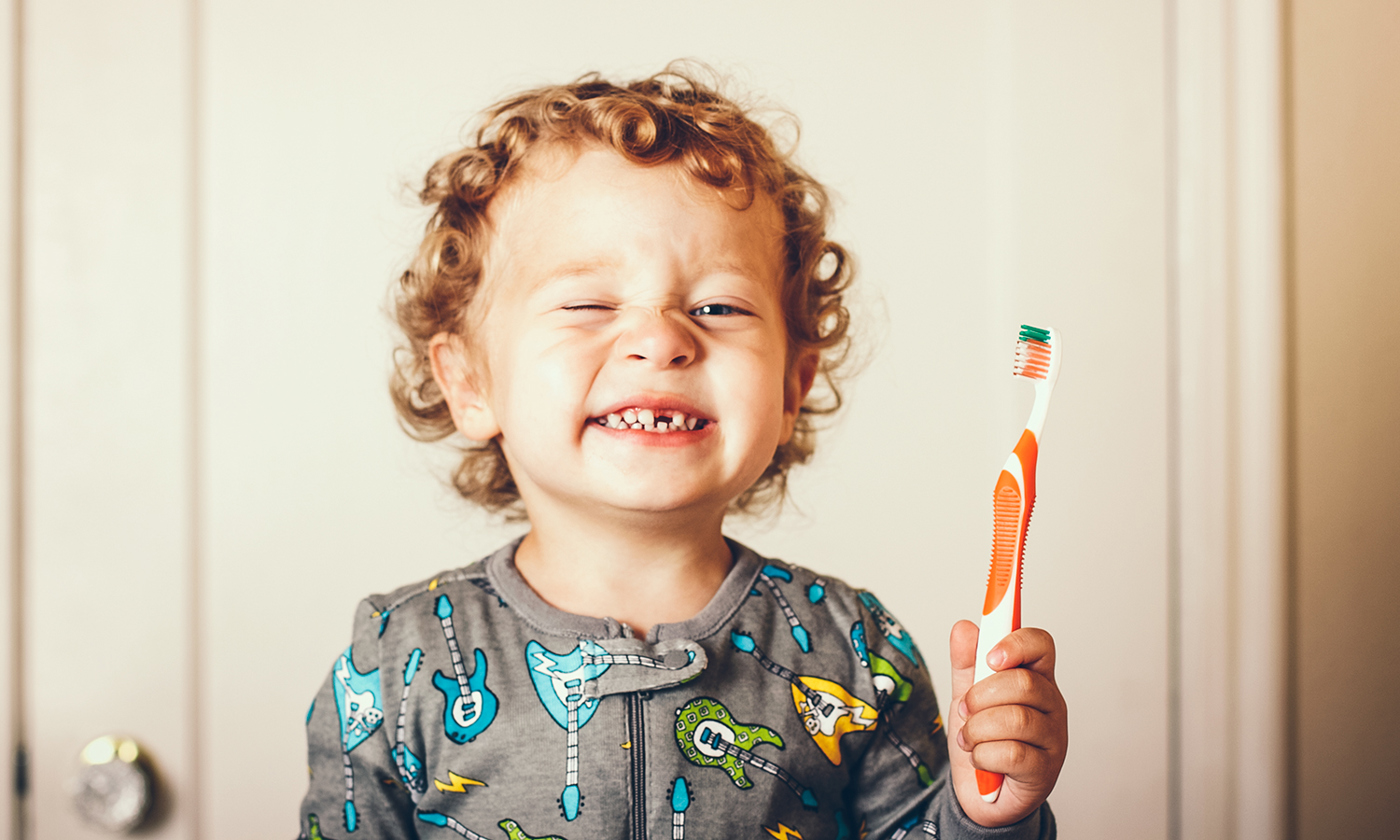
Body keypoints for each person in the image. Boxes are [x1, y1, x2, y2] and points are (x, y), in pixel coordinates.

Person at [298, 65, 1067, 840]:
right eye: (590, 304)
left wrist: (984, 816)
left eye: (717, 306)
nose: (663, 339)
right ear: (469, 383)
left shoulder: (857, 650)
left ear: (791, 385)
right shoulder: (399, 659)